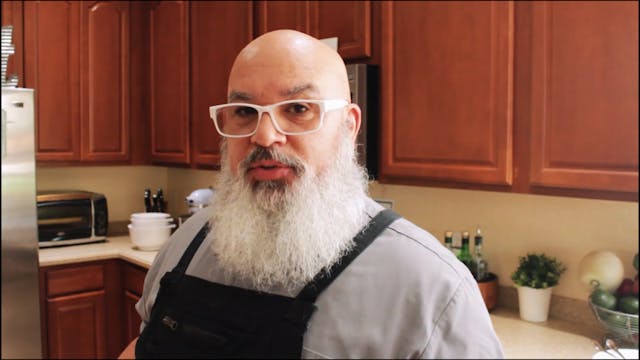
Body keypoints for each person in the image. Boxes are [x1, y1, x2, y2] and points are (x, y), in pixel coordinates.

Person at [119, 29, 504, 359]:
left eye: (298, 108)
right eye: (244, 112)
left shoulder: (432, 288)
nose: (265, 135)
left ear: (349, 126)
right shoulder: (188, 242)